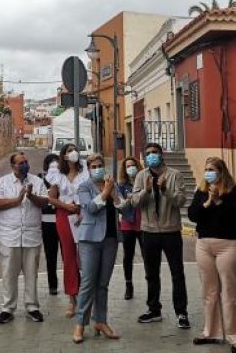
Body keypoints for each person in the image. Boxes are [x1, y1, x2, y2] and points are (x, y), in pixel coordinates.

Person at [188, 157, 236, 352]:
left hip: (228, 245)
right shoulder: (201, 190)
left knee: (231, 291)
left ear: (222, 172)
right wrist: (207, 202)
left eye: (212, 169)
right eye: (206, 169)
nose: (208, 173)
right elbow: (192, 215)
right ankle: (211, 332)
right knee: (209, 290)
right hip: (204, 244)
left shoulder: (234, 192)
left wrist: (219, 201)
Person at [130, 142, 190, 328]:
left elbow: (181, 201)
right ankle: (154, 309)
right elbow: (134, 202)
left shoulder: (175, 175)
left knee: (177, 273)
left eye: (155, 152)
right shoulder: (141, 176)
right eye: (148, 153)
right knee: (151, 273)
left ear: (161, 154)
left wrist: (165, 191)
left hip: (171, 231)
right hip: (149, 232)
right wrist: (146, 191)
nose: (152, 156)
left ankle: (181, 312)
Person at [72, 153, 126, 343]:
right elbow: (90, 208)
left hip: (110, 238)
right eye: (93, 166)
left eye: (100, 165)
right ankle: (80, 323)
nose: (97, 168)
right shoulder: (84, 187)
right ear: (88, 168)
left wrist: (114, 196)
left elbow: (124, 208)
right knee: (88, 282)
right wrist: (105, 193)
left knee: (103, 284)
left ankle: (100, 321)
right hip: (90, 240)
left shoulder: (112, 184)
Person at [0, 151, 49, 324]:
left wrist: (30, 196)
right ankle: (8, 308)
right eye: (20, 163)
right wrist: (17, 199)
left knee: (31, 273)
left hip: (32, 236)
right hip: (10, 236)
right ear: (13, 166)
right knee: (9, 274)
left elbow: (45, 202)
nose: (24, 165)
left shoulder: (37, 181)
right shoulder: (3, 182)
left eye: (26, 162)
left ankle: (32, 307)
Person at [47, 143, 88, 318]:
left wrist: (79, 208)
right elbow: (51, 198)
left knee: (86, 255)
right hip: (64, 215)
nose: (73, 153)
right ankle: (72, 298)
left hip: (85, 214)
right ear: (63, 156)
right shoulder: (58, 175)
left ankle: (87, 297)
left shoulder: (86, 172)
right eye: (69, 151)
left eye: (75, 150)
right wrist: (66, 206)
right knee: (69, 256)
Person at [118, 155, 144, 301]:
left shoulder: (143, 182)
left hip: (143, 223)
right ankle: (129, 285)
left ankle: (150, 281)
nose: (130, 168)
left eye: (132, 165)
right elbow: (119, 206)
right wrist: (127, 200)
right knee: (128, 255)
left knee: (147, 255)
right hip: (128, 223)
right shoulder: (121, 185)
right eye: (127, 166)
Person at [38, 153, 62, 295]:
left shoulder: (63, 179)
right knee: (50, 255)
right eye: (51, 165)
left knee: (67, 254)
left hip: (62, 219)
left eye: (56, 165)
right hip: (47, 222)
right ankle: (52, 285)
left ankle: (71, 283)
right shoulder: (40, 179)